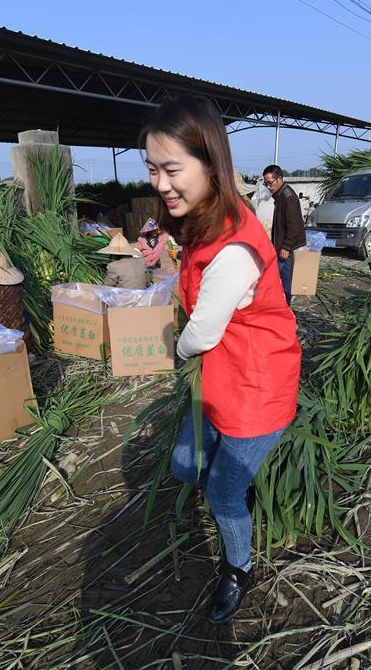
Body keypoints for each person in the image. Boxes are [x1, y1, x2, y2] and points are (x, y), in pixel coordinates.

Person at [142, 95, 301, 623]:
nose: (161, 183)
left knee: (222, 495)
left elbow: (202, 333)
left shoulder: (234, 248)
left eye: (171, 169)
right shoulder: (204, 220)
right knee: (184, 465)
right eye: (152, 169)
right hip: (222, 375)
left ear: (210, 164)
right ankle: (231, 494)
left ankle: (238, 567)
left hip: (255, 386)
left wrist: (170, 347)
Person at [262, 164, 306, 304]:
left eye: (270, 183)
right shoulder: (280, 195)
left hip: (285, 248)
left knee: (281, 279)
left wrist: (286, 246)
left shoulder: (288, 197)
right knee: (280, 278)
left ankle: (284, 305)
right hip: (280, 246)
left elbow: (293, 225)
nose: (268, 187)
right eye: (266, 184)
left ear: (279, 179)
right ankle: (283, 305)